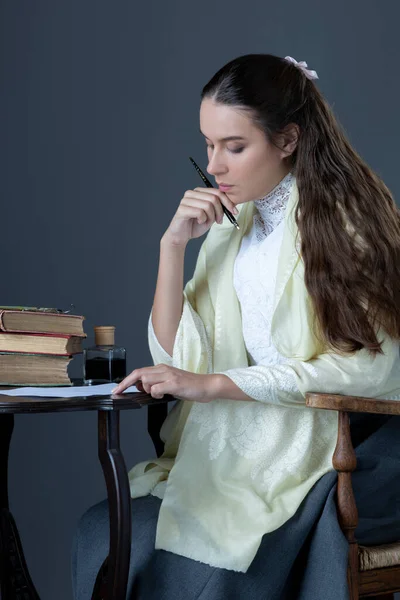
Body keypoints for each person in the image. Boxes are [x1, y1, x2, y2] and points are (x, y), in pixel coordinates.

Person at [72, 54, 400, 599]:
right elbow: (182, 357)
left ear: (288, 139)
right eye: (207, 145)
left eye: (235, 146)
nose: (215, 166)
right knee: (102, 530)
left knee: (208, 560)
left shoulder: (344, 225)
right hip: (237, 442)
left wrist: (215, 386)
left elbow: (373, 366)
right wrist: (172, 248)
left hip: (321, 438)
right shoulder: (231, 226)